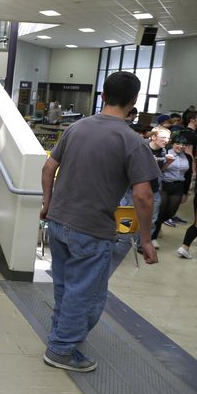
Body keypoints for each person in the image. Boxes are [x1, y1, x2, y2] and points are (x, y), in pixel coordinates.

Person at [40, 71, 160, 372]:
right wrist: (146, 239)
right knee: (87, 295)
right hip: (91, 229)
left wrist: (48, 203)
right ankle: (61, 350)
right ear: (134, 101)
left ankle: (59, 337)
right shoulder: (132, 141)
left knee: (65, 286)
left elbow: (48, 167)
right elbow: (143, 196)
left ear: (103, 95)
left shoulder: (76, 128)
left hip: (58, 221)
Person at [152, 134, 193, 244]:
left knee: (171, 212)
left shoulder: (188, 157)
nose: (181, 146)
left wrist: (185, 192)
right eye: (178, 143)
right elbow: (157, 170)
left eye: (184, 144)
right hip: (164, 185)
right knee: (160, 212)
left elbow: (188, 175)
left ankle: (156, 225)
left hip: (178, 186)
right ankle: (153, 237)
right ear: (172, 144)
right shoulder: (165, 153)